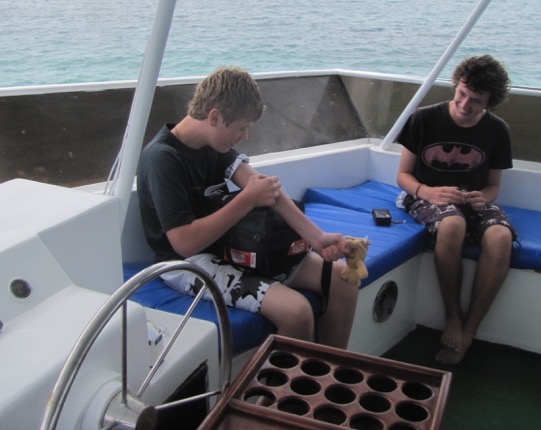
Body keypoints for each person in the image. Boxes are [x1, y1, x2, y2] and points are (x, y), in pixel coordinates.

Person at [137, 66, 359, 348]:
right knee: (297, 311)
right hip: (186, 264)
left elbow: (267, 190)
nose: (244, 137)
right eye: (241, 128)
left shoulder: (212, 145)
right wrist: (246, 200)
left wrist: (318, 238)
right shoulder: (163, 159)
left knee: (343, 280)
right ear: (215, 117)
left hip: (226, 246)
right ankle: (285, 392)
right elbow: (183, 243)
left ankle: (331, 371)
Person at [396, 55, 516, 364]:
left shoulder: (498, 131)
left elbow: (493, 187)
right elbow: (403, 176)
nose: (464, 105)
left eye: (476, 101)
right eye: (462, 94)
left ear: (490, 102)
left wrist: (482, 199)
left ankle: (468, 331)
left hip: (471, 200)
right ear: (456, 84)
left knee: (501, 238)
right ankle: (452, 317)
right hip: (425, 194)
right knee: (452, 226)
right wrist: (428, 192)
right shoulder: (423, 119)